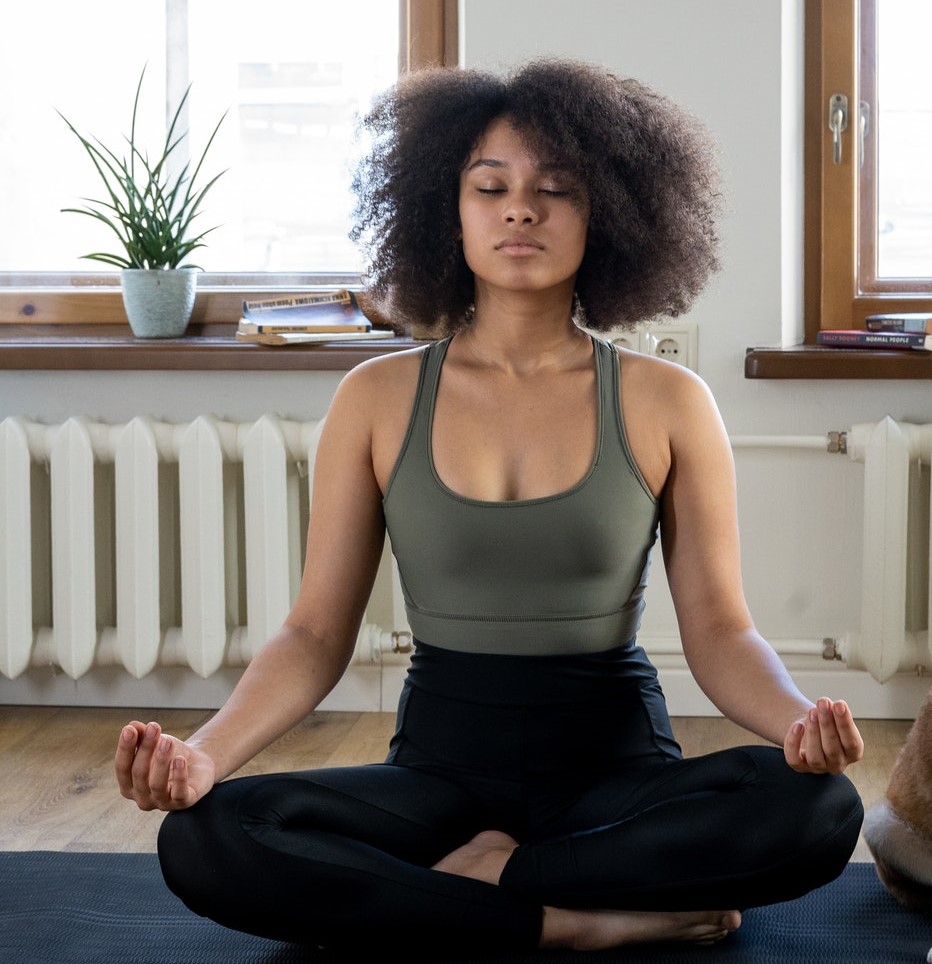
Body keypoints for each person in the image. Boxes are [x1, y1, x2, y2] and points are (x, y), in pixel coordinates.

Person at [115, 58, 865, 958]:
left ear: (611, 216)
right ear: (447, 210)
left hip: (613, 769)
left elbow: (719, 632)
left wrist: (794, 728)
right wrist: (204, 756)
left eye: (555, 190)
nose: (521, 210)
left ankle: (479, 888)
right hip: (438, 772)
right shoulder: (376, 397)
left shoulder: (668, 401)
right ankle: (572, 918)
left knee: (819, 809)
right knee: (207, 835)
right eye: (490, 187)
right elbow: (315, 635)